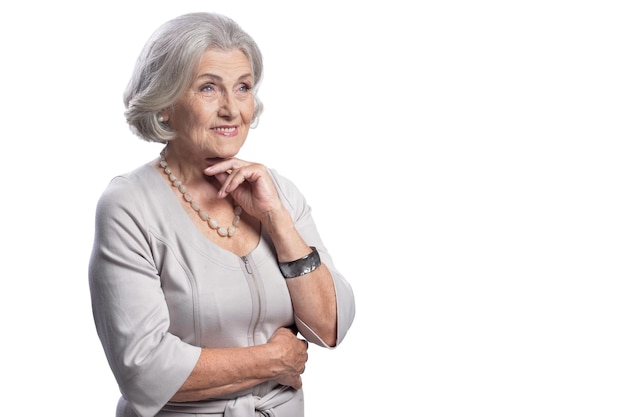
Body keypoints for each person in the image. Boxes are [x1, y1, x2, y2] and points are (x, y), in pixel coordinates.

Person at [88, 11, 356, 417]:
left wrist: (277, 221)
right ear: (165, 104)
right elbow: (142, 368)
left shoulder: (277, 190)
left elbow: (330, 328)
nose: (232, 109)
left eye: (243, 87)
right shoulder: (129, 206)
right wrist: (271, 360)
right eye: (209, 88)